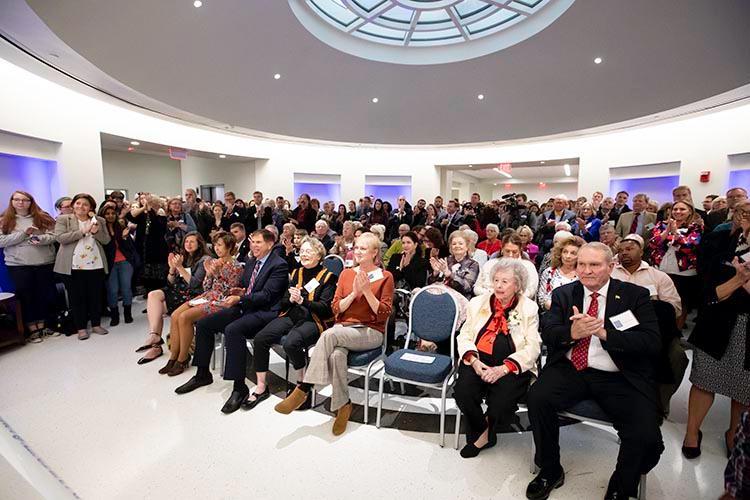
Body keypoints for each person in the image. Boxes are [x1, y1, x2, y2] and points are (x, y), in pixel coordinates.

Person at [526, 243, 663, 500]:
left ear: (611, 267)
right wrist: (571, 334)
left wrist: (604, 334)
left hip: (618, 374)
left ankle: (621, 485)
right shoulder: (565, 294)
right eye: (581, 264)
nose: (586, 271)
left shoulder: (635, 296)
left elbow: (651, 342)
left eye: (594, 265)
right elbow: (549, 331)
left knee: (645, 434)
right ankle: (550, 469)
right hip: (571, 369)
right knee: (537, 398)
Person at [275, 232, 394, 435]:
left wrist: (366, 291)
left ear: (375, 252)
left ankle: (304, 388)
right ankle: (343, 406)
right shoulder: (347, 274)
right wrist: (355, 293)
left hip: (371, 331)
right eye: (356, 247)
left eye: (363, 248)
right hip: (344, 328)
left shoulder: (385, 276)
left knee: (329, 335)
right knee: (337, 354)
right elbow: (336, 308)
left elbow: (384, 314)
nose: (357, 251)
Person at [175, 229, 289, 413]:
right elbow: (244, 286)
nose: (254, 245)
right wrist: (237, 291)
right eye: (252, 242)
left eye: (259, 242)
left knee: (233, 330)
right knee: (204, 324)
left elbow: (267, 296)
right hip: (246, 305)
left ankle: (239, 387)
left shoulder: (279, 265)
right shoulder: (252, 262)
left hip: (265, 312)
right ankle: (202, 374)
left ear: (270, 244)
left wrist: (241, 298)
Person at [682, 201, 750, 460]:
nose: (745, 220)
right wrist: (738, 279)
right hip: (716, 320)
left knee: (743, 387)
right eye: (742, 214)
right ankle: (691, 432)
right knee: (703, 380)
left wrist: (742, 283)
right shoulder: (718, 240)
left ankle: (734, 433)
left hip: (747, 325)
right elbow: (708, 291)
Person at [454, 258, 542, 458]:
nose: (499, 286)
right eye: (496, 280)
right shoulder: (477, 303)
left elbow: (533, 346)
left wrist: (503, 369)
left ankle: (483, 435)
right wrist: (474, 362)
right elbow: (465, 335)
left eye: (505, 281)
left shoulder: (528, 308)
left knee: (502, 403)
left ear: (517, 285)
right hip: (478, 359)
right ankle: (485, 431)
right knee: (463, 393)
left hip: (511, 364)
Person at [248, 238, 338, 411]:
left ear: (319, 255)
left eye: (309, 251)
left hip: (314, 319)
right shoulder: (296, 273)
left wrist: (302, 301)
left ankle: (302, 385)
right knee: (261, 338)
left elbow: (325, 310)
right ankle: (261, 387)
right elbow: (283, 303)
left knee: (291, 343)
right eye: (302, 251)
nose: (304, 254)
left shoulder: (328, 277)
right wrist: (289, 299)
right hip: (291, 315)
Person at [612, 233, 685, 415]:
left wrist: (644, 312)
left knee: (678, 356)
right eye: (620, 250)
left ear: (641, 251)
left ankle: (660, 401)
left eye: (629, 249)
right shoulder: (610, 274)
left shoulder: (658, 277)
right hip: (618, 327)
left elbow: (674, 308)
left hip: (656, 329)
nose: (624, 253)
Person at [159, 232, 243, 377]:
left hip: (220, 301)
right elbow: (206, 287)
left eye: (220, 245)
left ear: (229, 247)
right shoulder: (214, 262)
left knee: (185, 317)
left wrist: (216, 274)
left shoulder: (236, 266)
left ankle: (182, 358)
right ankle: (173, 356)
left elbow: (228, 291)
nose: (216, 248)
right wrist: (209, 274)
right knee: (175, 315)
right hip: (207, 296)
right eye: (215, 245)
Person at [136, 232, 209, 364]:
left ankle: (156, 345)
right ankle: (155, 336)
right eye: (186, 242)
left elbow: (194, 285)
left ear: (199, 244)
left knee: (157, 309)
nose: (189, 244)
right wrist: (172, 269)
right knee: (153, 295)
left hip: (194, 296)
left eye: (192, 241)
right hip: (178, 292)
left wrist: (180, 267)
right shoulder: (183, 257)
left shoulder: (204, 260)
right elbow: (170, 282)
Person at [0, 190, 58, 341]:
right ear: (12, 201)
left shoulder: (42, 216)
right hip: (19, 265)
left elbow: (54, 235)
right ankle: (32, 329)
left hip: (44, 262)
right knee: (26, 296)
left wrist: (40, 238)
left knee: (43, 295)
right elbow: (1, 241)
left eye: (25, 200)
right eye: (17, 199)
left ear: (31, 202)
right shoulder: (4, 219)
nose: (21, 203)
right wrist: (24, 234)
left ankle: (44, 326)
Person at [54, 193, 111, 340]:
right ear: (73, 205)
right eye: (78, 203)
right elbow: (60, 238)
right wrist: (83, 231)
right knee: (76, 298)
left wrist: (96, 232)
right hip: (72, 266)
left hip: (95, 264)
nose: (81, 206)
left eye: (85, 204)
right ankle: (81, 328)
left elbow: (106, 240)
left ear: (91, 207)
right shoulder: (63, 219)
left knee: (95, 296)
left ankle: (96, 324)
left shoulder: (99, 220)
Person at [647, 200, 702, 329]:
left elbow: (690, 246)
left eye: (682, 209)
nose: (678, 212)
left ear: (690, 212)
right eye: (675, 209)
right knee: (660, 300)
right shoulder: (662, 224)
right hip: (661, 267)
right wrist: (667, 231)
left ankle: (676, 333)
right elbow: (653, 243)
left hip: (683, 271)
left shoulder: (695, 227)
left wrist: (676, 233)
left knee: (681, 302)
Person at [99, 203, 139, 326]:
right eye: (107, 214)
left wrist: (124, 238)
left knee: (126, 288)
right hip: (110, 264)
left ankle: (128, 314)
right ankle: (114, 316)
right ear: (102, 215)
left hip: (125, 262)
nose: (110, 216)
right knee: (112, 290)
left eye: (112, 213)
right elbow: (105, 247)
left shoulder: (120, 226)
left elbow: (130, 247)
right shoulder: (99, 230)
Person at [475, 232, 539, 300]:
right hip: (489, 301)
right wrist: (493, 295)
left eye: (514, 252)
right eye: (507, 251)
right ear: (502, 250)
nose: (510, 255)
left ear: (520, 250)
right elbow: (477, 288)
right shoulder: (489, 264)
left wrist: (509, 297)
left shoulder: (528, 266)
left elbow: (530, 291)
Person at [127, 194, 169, 293]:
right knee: (145, 267)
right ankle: (148, 289)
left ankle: (157, 289)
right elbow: (130, 216)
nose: (148, 202)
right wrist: (143, 209)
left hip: (157, 247)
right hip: (143, 246)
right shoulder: (143, 213)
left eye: (150, 201)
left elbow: (158, 226)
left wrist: (150, 210)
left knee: (156, 268)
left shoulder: (160, 212)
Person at [429, 230, 479, 300]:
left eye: (460, 243)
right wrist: (435, 273)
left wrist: (450, 274)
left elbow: (467, 287)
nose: (457, 246)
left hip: (460, 300)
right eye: (454, 244)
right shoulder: (446, 260)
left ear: (467, 247)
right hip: (441, 297)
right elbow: (431, 284)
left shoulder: (473, 264)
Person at [536, 236, 584, 311]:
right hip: (552, 314)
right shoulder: (549, 272)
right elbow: (542, 298)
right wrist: (558, 309)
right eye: (565, 252)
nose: (568, 256)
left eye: (573, 253)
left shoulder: (583, 275)